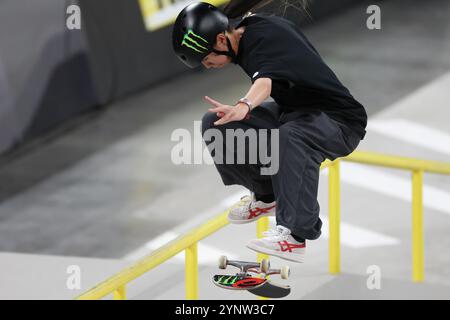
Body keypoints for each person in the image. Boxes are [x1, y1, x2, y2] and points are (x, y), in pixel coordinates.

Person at [172, 1, 367, 263]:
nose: (208, 66)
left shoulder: (264, 39)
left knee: (291, 136)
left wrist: (244, 105)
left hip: (339, 121)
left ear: (221, 40)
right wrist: (238, 113)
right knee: (216, 124)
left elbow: (264, 82)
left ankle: (295, 236)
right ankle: (266, 196)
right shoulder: (242, 31)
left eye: (208, 59)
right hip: (296, 111)